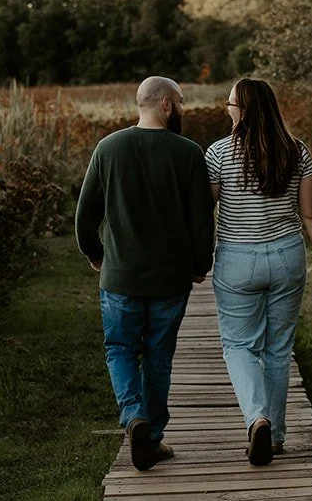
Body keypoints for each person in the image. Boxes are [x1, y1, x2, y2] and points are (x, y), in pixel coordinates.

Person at [75, 76, 215, 471]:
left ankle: (133, 415)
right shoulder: (188, 153)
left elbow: (86, 214)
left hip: (120, 276)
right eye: (182, 102)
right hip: (170, 280)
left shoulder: (109, 148)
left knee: (120, 348)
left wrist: (94, 253)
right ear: (167, 105)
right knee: (158, 355)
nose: (183, 109)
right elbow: (202, 220)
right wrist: (200, 264)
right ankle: (151, 436)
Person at [207, 77, 312, 466]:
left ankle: (257, 419)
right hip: (287, 256)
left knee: (239, 345)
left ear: (242, 110)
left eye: (229, 105)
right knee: (278, 350)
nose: (227, 110)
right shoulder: (296, 151)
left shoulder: (217, 154)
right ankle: (276, 436)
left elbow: (203, 210)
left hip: (236, 259)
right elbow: (311, 213)